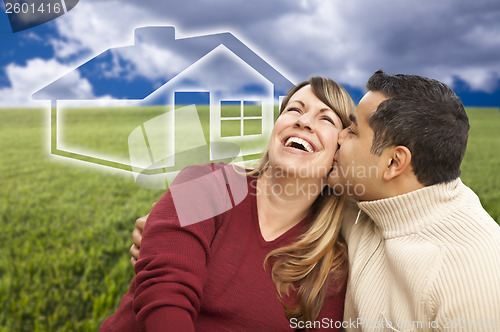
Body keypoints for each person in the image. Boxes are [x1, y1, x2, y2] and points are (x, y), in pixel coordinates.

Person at [101, 76, 355, 331]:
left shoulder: (329, 266)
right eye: (294, 110)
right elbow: (165, 293)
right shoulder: (208, 182)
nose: (303, 121)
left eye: (326, 118)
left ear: (339, 153)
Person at [330, 70, 500, 331]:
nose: (338, 137)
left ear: (394, 162)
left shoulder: (473, 274)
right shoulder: (365, 199)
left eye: (353, 131)